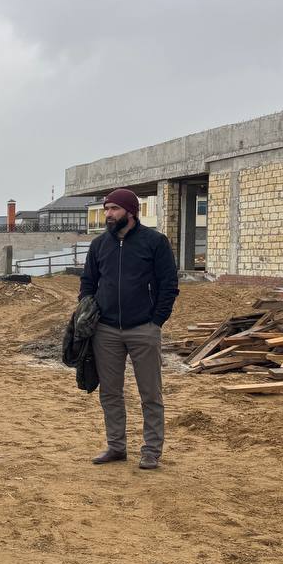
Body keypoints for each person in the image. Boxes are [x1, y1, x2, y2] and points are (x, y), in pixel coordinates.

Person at [80, 188, 179, 470]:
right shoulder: (99, 245)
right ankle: (116, 446)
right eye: (106, 209)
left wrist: (156, 321)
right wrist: (87, 311)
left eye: (114, 209)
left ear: (131, 211)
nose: (108, 214)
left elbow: (169, 285)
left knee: (150, 394)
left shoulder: (155, 242)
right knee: (110, 393)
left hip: (144, 329)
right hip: (106, 331)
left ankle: (151, 451)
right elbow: (88, 282)